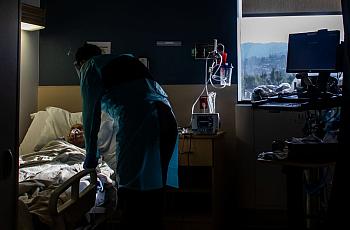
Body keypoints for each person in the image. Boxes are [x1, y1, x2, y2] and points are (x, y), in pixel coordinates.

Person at [74, 43, 179, 229]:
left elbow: (90, 117)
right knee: (155, 190)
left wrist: (90, 160)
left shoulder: (89, 67)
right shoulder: (124, 61)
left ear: (79, 63)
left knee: (131, 191)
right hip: (167, 118)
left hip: (141, 120)